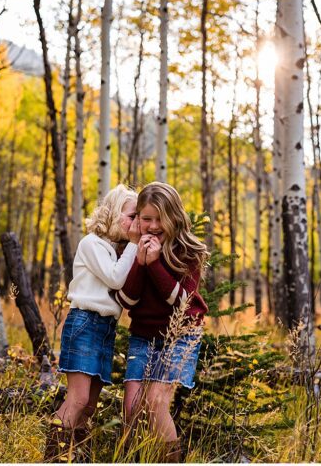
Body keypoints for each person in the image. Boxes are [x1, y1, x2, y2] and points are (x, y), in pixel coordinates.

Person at [117, 182, 210, 463]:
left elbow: (181, 301)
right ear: (139, 220)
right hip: (143, 336)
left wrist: (155, 263)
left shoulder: (188, 251)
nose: (154, 226)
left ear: (174, 217)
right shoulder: (134, 249)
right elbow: (127, 301)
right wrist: (139, 258)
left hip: (181, 335)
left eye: (161, 218)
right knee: (132, 409)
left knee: (156, 403)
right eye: (147, 219)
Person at [46, 185, 140, 462]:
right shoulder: (92, 244)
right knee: (77, 399)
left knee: (88, 406)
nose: (136, 224)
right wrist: (134, 244)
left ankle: (75, 457)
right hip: (84, 323)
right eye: (132, 216)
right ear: (113, 213)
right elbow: (114, 279)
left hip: (105, 329)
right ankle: (52, 458)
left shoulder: (117, 249)